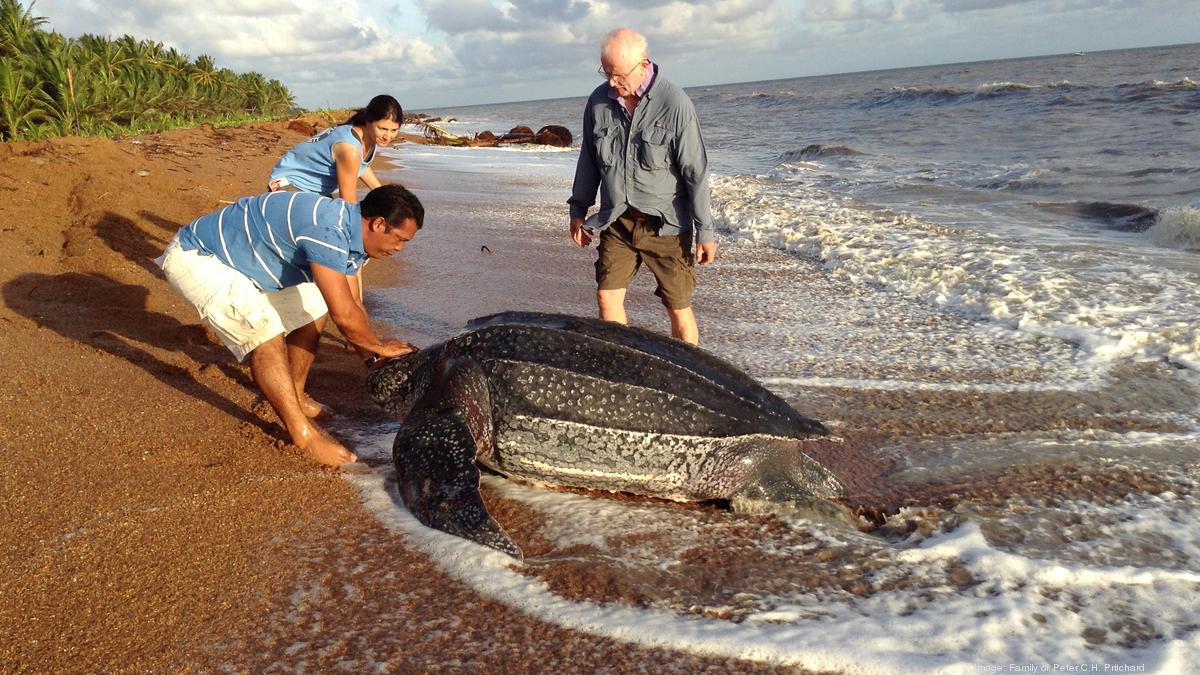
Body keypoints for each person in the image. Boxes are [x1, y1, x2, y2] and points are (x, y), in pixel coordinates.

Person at [155, 185, 424, 466]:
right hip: (199, 258)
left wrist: (373, 357)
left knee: (317, 305)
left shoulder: (352, 229)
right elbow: (344, 316)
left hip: (242, 265)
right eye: (400, 239)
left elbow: (350, 304)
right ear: (378, 223)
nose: (399, 249)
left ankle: (293, 393)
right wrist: (378, 347)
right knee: (266, 335)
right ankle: (303, 435)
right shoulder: (328, 232)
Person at [568, 28, 716, 345]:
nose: (611, 82)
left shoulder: (675, 103)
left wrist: (706, 231)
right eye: (606, 72)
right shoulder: (598, 102)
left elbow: (695, 171)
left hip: (666, 227)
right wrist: (578, 210)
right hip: (617, 220)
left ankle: (687, 379)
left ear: (643, 65)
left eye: (618, 75)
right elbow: (589, 161)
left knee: (678, 309)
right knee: (607, 298)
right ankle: (626, 371)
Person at [268, 94, 402, 200]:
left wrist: (384, 195)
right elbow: (348, 202)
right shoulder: (349, 148)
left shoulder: (369, 137)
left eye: (394, 130)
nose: (387, 136)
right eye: (382, 128)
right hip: (289, 185)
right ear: (368, 121)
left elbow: (361, 166)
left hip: (313, 190)